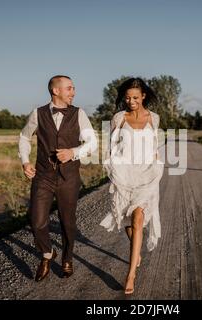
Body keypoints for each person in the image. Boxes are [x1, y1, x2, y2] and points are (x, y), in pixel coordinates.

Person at [18, 75, 97, 282]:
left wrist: (73, 152)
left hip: (69, 177)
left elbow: (92, 143)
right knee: (37, 221)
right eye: (70, 88)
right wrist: (25, 162)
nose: (74, 92)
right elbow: (24, 137)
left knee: (67, 222)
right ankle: (47, 253)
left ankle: (67, 257)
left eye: (73, 88)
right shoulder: (38, 113)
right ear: (56, 91)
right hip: (43, 175)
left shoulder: (79, 114)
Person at [100, 78, 164, 295]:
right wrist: (112, 169)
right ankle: (136, 253)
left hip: (146, 174)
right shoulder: (119, 118)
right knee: (127, 218)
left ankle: (131, 275)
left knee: (138, 217)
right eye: (127, 97)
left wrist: (157, 168)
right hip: (124, 173)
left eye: (135, 97)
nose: (131, 101)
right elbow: (110, 147)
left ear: (143, 96)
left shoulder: (154, 118)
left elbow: (155, 146)